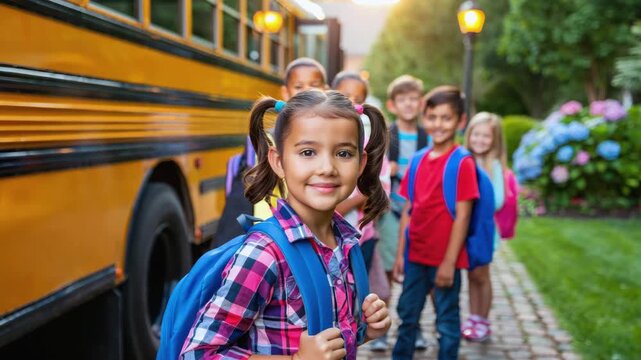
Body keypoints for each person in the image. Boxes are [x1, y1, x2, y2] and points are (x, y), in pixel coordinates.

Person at [181, 90, 392, 360]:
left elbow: (327, 346)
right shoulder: (263, 255)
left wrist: (362, 331)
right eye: (307, 152)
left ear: (361, 164)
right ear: (279, 161)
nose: (327, 167)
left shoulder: (345, 242)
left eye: (343, 153)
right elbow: (196, 354)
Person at [392, 87, 478, 360]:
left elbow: (463, 216)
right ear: (424, 118)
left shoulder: (462, 163)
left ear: (460, 121)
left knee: (446, 323)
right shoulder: (417, 161)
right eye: (431, 117)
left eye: (445, 118)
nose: (438, 124)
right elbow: (409, 209)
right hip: (415, 256)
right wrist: (400, 256)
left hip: (444, 259)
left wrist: (449, 263)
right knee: (407, 317)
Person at [375, 74, 429, 351]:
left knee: (413, 273)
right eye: (402, 100)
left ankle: (414, 325)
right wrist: (388, 170)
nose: (408, 105)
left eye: (413, 99)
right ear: (393, 105)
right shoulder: (387, 135)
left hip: (419, 212)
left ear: (420, 104)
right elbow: (373, 169)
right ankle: (381, 329)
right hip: (391, 211)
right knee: (385, 270)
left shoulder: (427, 137)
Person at [461, 112, 508, 342]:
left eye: (486, 136)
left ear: (494, 140)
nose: (480, 140)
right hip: (465, 232)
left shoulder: (494, 166)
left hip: (484, 232)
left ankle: (483, 319)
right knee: (471, 275)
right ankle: (472, 317)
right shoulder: (463, 160)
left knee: (482, 275)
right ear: (469, 135)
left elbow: (498, 199)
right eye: (476, 134)